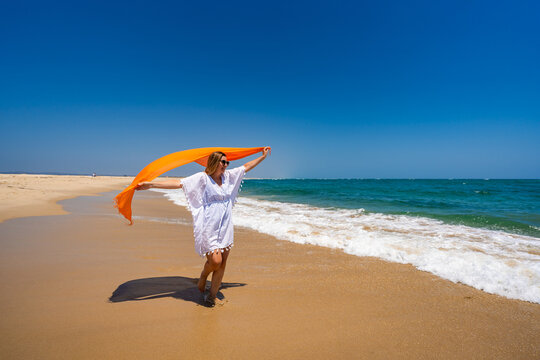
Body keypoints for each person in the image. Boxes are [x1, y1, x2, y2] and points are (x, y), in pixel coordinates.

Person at [135, 147, 270, 306]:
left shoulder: (228, 177)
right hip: (209, 226)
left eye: (228, 162)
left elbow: (246, 166)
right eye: (223, 162)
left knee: (223, 263)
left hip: (226, 226)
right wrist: (151, 185)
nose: (226, 165)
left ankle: (211, 296)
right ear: (214, 162)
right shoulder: (202, 178)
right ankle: (204, 276)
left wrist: (262, 156)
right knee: (215, 262)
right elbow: (179, 183)